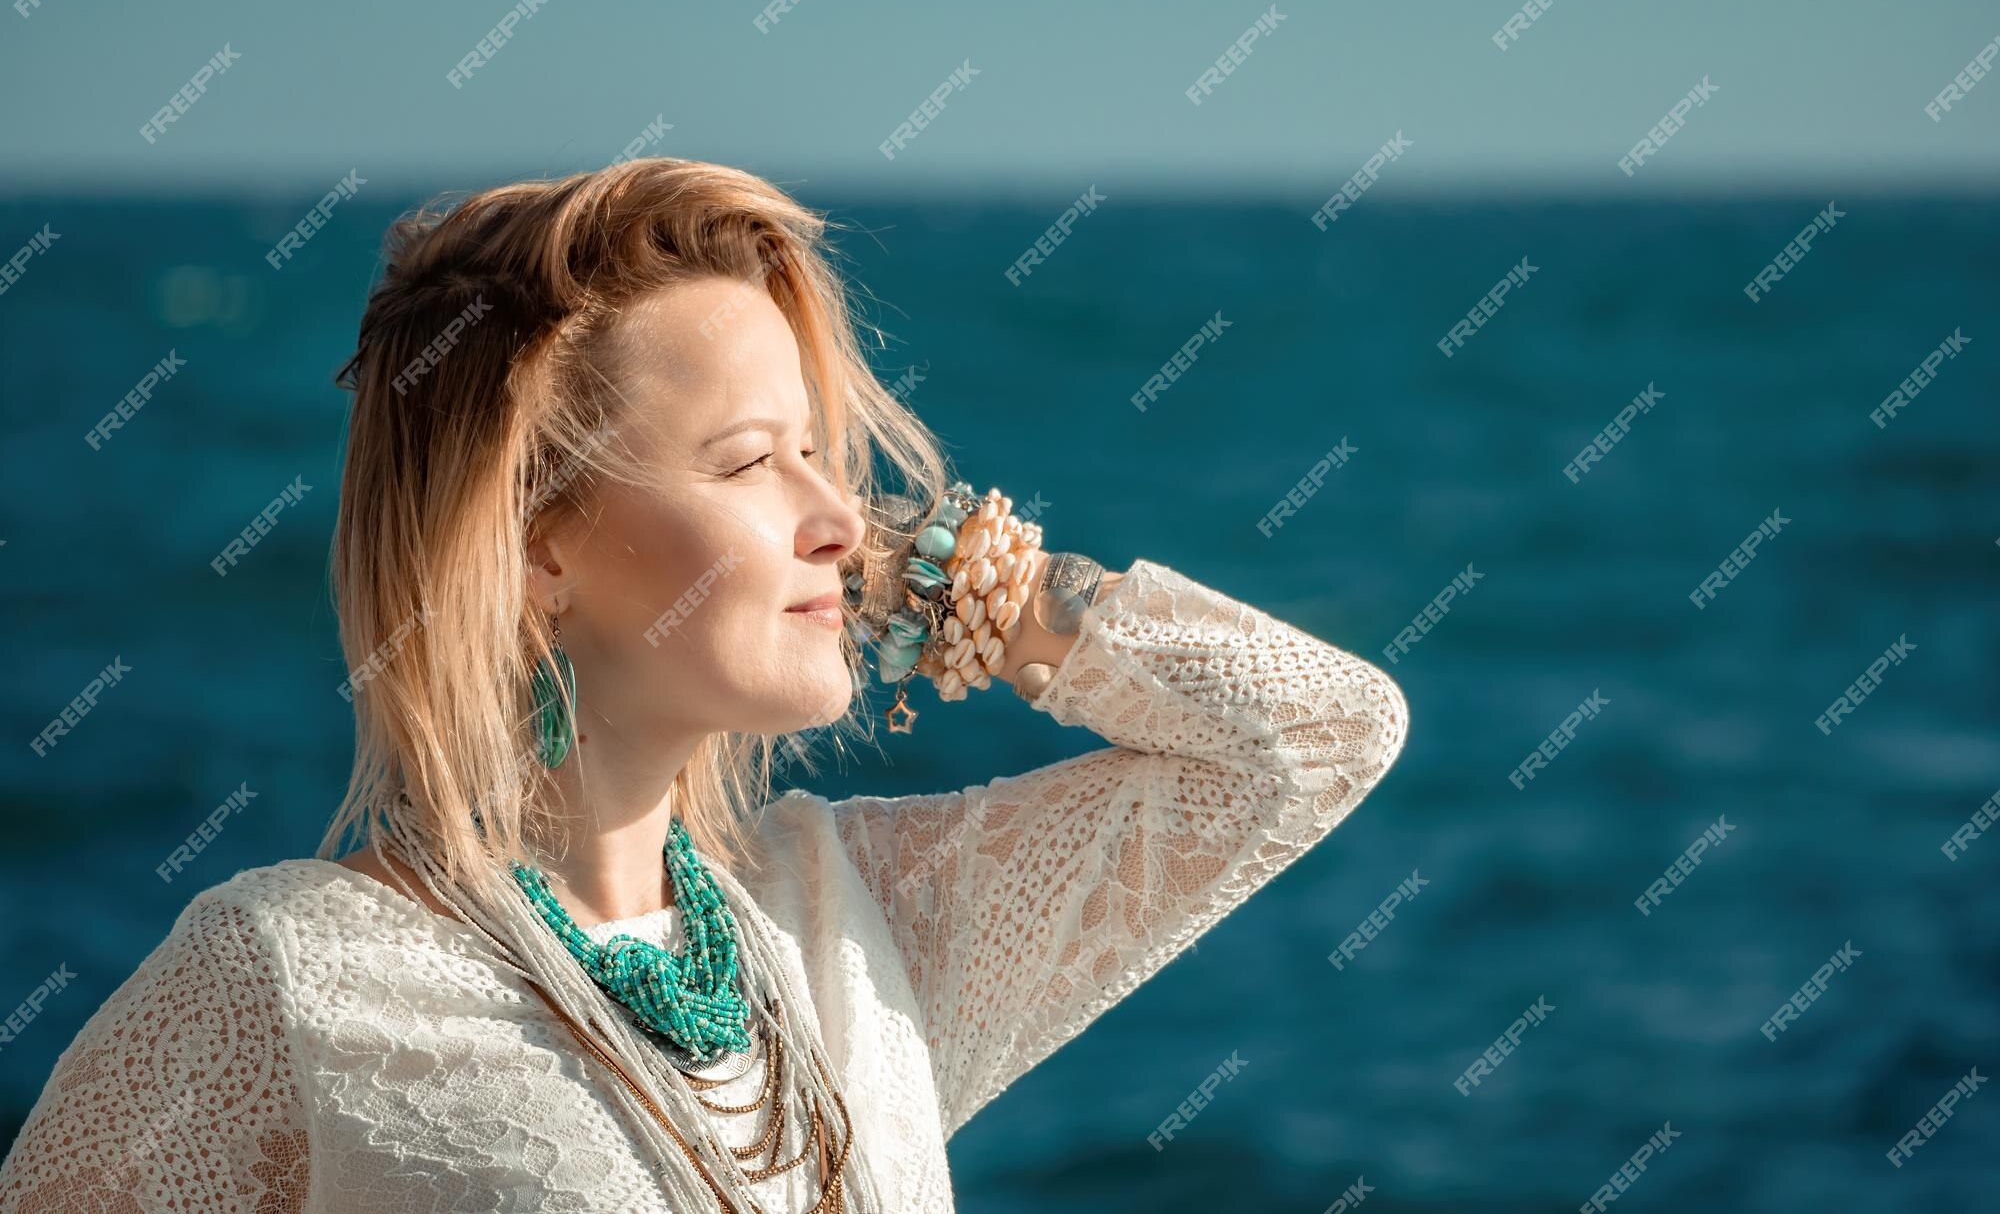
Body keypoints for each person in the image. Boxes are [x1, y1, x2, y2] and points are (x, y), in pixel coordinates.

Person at [0, 159, 1411, 1211]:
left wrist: (967, 584)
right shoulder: (287, 977)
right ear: (536, 547)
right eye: (750, 461)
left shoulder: (869, 923)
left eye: (821, 451)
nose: (839, 514)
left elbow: (1316, 740)